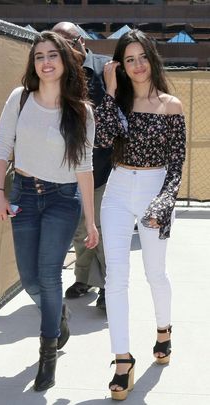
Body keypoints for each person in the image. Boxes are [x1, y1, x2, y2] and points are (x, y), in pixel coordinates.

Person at [0, 31, 98, 391]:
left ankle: (48, 354)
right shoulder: (19, 99)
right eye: (39, 56)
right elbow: (2, 146)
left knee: (49, 277)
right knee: (31, 279)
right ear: (33, 63)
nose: (46, 62)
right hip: (22, 193)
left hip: (61, 200)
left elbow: (84, 167)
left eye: (53, 55)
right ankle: (59, 317)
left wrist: (91, 222)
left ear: (66, 61)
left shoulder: (81, 111)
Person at [94, 29, 186, 400]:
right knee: (116, 277)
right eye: (128, 59)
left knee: (154, 272)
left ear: (153, 58)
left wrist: (164, 203)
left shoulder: (172, 105)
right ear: (120, 65)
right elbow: (102, 138)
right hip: (117, 189)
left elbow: (176, 165)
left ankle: (163, 330)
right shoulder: (117, 103)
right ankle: (122, 360)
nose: (137, 65)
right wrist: (110, 91)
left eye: (142, 57)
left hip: (155, 189)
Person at [52, 22, 112, 310]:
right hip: (66, 169)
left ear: (79, 42)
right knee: (78, 229)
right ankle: (84, 278)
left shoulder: (105, 68)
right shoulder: (57, 73)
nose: (58, 50)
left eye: (63, 43)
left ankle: (107, 286)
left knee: (99, 228)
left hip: (101, 168)